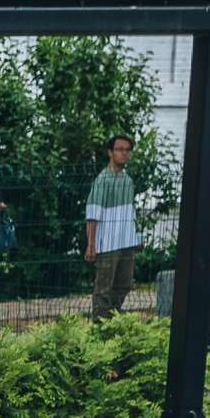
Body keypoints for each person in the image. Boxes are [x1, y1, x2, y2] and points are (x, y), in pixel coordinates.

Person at [82, 133, 139, 320]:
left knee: (124, 284)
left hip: (127, 242)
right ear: (110, 152)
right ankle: (100, 324)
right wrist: (91, 244)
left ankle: (112, 318)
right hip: (107, 242)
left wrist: (135, 236)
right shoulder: (102, 180)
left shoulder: (128, 180)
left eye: (127, 150)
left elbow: (130, 212)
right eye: (119, 149)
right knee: (104, 287)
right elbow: (92, 214)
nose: (124, 153)